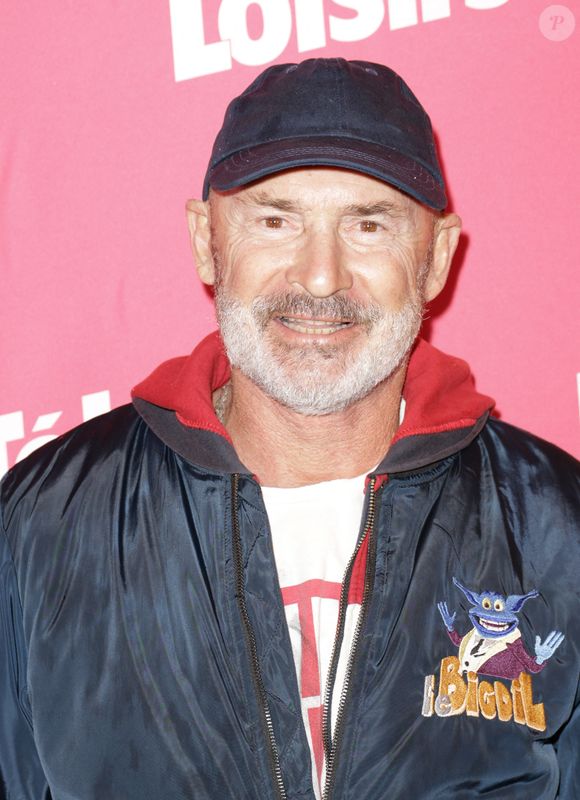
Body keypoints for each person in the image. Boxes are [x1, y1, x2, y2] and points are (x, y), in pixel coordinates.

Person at [1, 58, 578, 800]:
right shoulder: (43, 523)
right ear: (207, 241)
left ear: (435, 258)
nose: (319, 276)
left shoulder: (557, 525)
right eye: (276, 221)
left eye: (368, 225)